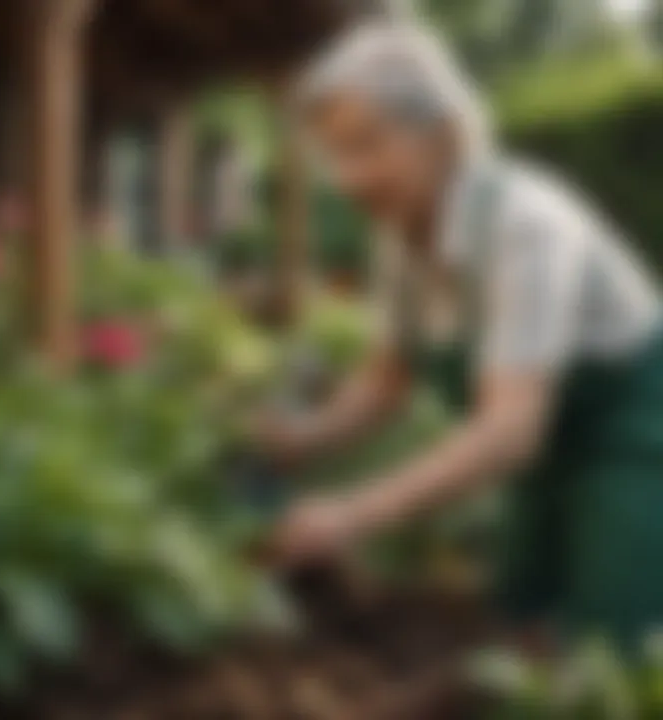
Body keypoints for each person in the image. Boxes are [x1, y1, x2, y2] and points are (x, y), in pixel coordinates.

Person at [258, 21, 663, 652]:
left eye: (367, 145)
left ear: (442, 135)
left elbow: (509, 430)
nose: (349, 179)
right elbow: (385, 381)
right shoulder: (401, 232)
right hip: (550, 447)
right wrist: (294, 439)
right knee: (518, 615)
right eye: (335, 154)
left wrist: (350, 515)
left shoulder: (527, 224)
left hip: (636, 437)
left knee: (617, 650)